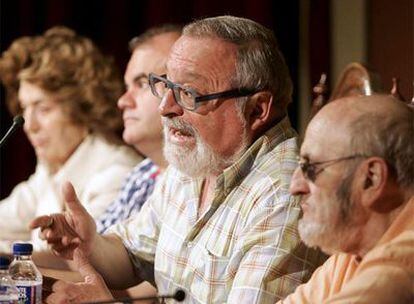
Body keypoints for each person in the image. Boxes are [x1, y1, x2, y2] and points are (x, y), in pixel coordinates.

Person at [31, 16, 326, 303]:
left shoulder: (284, 196)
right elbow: (133, 255)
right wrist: (91, 244)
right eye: (166, 85)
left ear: (257, 109)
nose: (165, 107)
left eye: (189, 93)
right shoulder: (199, 159)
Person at [0, 26, 140, 252]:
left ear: (82, 110)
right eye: (25, 108)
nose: (30, 126)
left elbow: (74, 258)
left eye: (43, 109)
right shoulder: (50, 169)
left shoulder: (117, 172)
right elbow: (6, 219)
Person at [278, 95, 414, 303]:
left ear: (371, 178)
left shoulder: (404, 263)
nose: (294, 187)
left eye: (311, 168)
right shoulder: (349, 255)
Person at [95, 24, 182, 234]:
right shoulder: (142, 173)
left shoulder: (201, 181)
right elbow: (99, 249)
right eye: (126, 87)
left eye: (142, 84)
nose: (123, 101)